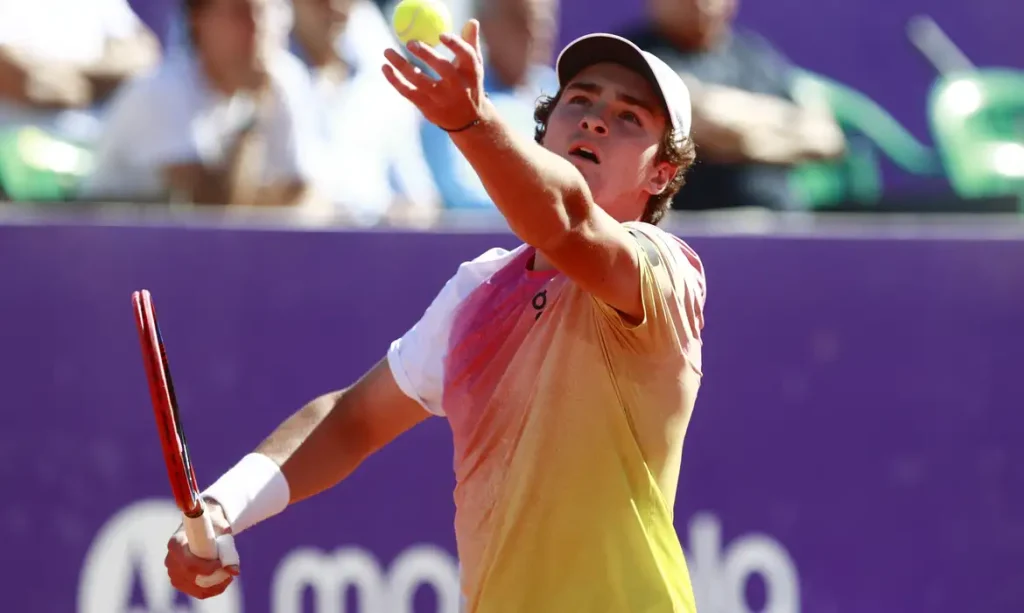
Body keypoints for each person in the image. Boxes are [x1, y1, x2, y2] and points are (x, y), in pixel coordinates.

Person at [164, 21, 707, 613]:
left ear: (661, 174)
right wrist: (223, 507)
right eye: (579, 101)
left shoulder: (666, 272)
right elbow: (351, 420)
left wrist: (472, 121)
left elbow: (568, 220)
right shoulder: (477, 291)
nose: (596, 119)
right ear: (544, 132)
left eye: (629, 117)